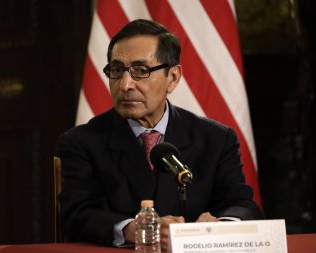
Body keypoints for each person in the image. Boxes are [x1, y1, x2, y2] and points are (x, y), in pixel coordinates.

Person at [56, 19, 263, 250]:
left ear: (172, 78)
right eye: (116, 70)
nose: (125, 85)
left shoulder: (215, 138)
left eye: (140, 71)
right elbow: (76, 214)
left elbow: (242, 205)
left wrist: (216, 229)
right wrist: (132, 229)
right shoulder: (82, 142)